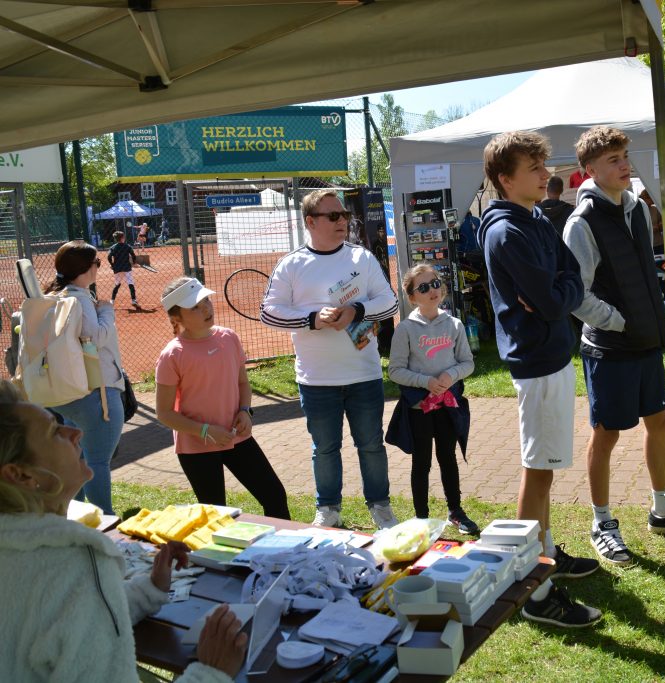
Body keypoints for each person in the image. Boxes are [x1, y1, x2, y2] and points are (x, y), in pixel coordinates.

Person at [0, 379, 247, 683]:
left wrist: (149, 589)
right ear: (21, 475)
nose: (75, 432)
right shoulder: (71, 566)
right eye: (54, 431)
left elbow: (75, 616)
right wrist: (211, 672)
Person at [563, 126, 665, 567]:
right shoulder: (581, 223)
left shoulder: (637, 210)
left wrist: (650, 317)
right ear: (589, 170)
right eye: (613, 159)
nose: (624, 165)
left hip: (645, 340)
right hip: (609, 347)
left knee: (660, 421)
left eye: (625, 156)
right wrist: (618, 321)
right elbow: (576, 294)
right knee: (606, 433)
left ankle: (663, 510)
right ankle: (602, 522)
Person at [478, 130, 601, 628]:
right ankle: (535, 591)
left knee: (545, 466)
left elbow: (572, 278)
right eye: (533, 168)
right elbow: (553, 301)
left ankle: (544, 552)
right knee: (539, 469)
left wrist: (559, 291)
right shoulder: (506, 232)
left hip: (552, 355)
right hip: (536, 361)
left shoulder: (534, 219)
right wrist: (559, 293)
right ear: (505, 179)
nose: (546, 175)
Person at [261, 190, 399, 530]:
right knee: (324, 449)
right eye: (334, 216)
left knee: (371, 445)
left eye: (344, 215)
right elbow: (270, 312)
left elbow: (390, 302)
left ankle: (380, 507)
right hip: (316, 379)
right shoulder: (292, 264)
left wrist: (357, 310)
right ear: (310, 222)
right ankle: (328, 509)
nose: (343, 221)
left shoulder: (362, 258)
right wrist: (312, 318)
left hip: (364, 374)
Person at [155, 277, 290, 520]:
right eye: (195, 307)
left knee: (275, 496)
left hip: (237, 437)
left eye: (206, 300)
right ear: (176, 318)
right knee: (216, 515)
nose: (206, 309)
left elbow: (242, 383)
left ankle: (285, 544)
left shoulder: (229, 338)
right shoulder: (172, 355)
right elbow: (164, 413)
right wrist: (205, 430)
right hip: (196, 447)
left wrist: (245, 410)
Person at [386, 264, 478, 534]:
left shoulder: (454, 324)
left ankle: (455, 511)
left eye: (435, 283)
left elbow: (467, 363)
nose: (432, 290)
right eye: (424, 287)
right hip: (419, 409)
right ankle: (421, 518)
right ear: (412, 297)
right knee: (421, 462)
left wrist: (451, 375)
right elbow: (395, 370)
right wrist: (425, 382)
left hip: (447, 406)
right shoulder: (405, 329)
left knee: (448, 457)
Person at [45, 240, 125, 515]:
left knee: (77, 461)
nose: (99, 268)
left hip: (69, 392)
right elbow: (95, 337)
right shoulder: (79, 298)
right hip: (95, 391)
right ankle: (107, 524)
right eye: (97, 263)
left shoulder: (55, 295)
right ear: (85, 268)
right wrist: (107, 310)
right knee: (97, 463)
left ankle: (74, 519)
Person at [107, 230, 141, 309]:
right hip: (126, 267)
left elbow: (109, 257)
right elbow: (133, 255)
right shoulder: (127, 246)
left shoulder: (113, 247)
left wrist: (112, 265)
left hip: (117, 268)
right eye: (124, 237)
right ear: (122, 238)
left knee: (117, 284)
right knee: (130, 283)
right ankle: (133, 300)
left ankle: (112, 300)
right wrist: (134, 263)